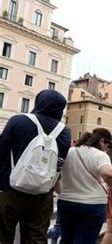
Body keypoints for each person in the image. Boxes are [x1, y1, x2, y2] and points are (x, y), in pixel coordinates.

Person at [0, 89, 71, 242]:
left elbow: (1, 152)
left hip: (10, 189)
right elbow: (59, 165)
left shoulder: (18, 121)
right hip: (43, 194)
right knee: (37, 237)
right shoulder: (64, 132)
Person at [57, 128, 112, 242]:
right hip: (92, 204)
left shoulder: (69, 152)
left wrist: (60, 192)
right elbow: (108, 173)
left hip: (66, 201)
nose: (107, 149)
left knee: (66, 239)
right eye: (108, 146)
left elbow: (56, 175)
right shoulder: (100, 155)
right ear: (102, 141)